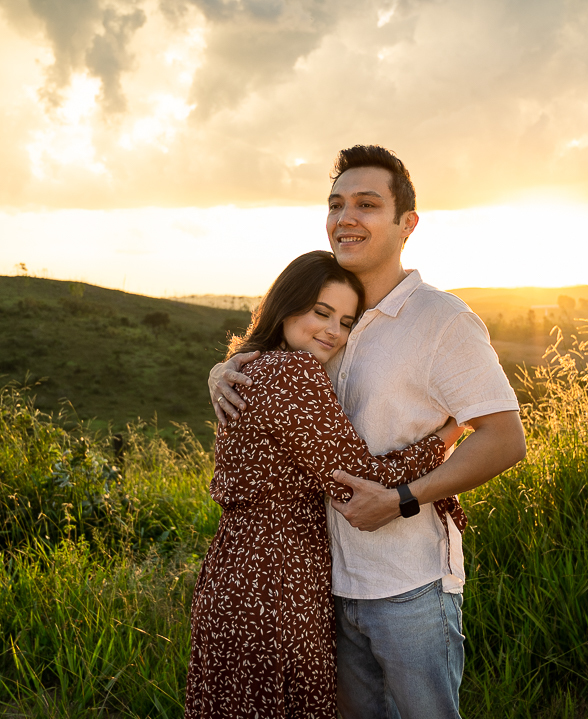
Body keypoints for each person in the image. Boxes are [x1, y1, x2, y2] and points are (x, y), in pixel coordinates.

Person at [210, 145, 527, 718]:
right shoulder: (329, 321)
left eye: (366, 204)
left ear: (407, 224)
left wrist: (405, 497)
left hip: (408, 585)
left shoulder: (442, 320)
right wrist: (227, 366)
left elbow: (506, 439)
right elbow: (284, 413)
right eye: (335, 204)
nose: (345, 217)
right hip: (326, 583)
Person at [185, 250, 463, 719]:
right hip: (278, 579)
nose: (333, 331)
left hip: (233, 571)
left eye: (347, 321)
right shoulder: (293, 372)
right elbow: (356, 478)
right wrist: (445, 437)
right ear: (287, 305)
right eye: (321, 312)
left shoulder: (248, 368)